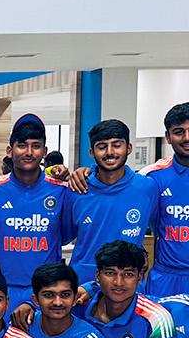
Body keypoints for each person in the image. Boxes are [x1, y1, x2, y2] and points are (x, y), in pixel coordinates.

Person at [68, 103, 189, 299]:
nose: (187, 138)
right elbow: (115, 186)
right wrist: (86, 173)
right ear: (168, 137)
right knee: (159, 329)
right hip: (164, 279)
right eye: (179, 132)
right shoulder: (152, 176)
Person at [0, 114, 71, 312]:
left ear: (44, 151)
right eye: (22, 145)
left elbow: (66, 235)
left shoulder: (62, 190)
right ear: (10, 151)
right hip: (1, 291)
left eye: (36, 146)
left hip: (46, 292)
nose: (29, 152)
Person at [60, 120, 159, 284]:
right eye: (102, 146)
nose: (110, 152)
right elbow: (64, 237)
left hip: (128, 284)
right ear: (92, 152)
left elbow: (160, 231)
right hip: (82, 283)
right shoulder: (77, 189)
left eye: (117, 145)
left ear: (129, 148)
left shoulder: (147, 188)